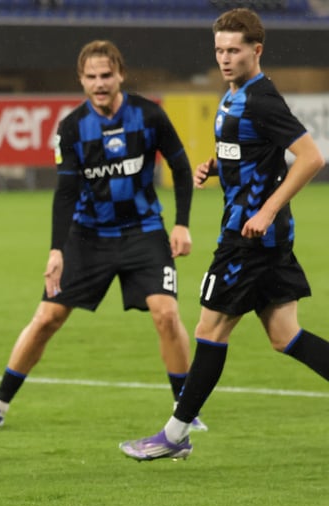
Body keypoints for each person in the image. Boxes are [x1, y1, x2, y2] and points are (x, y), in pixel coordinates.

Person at [0, 40, 205, 434]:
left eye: (106, 75)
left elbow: (179, 166)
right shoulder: (72, 128)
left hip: (144, 232)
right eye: (91, 77)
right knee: (46, 318)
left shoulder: (149, 115)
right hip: (88, 237)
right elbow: (67, 191)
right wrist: (56, 249)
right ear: (81, 80)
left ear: (120, 74)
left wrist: (182, 223)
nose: (99, 83)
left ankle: (185, 411)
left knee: (167, 313)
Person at [119, 8, 329, 461]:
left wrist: (268, 211)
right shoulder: (234, 94)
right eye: (219, 50)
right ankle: (176, 434)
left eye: (234, 50)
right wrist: (216, 165)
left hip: (247, 239)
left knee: (209, 329)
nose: (225, 58)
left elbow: (312, 157)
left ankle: (174, 436)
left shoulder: (262, 99)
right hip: (263, 239)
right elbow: (249, 148)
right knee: (285, 335)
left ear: (257, 50)